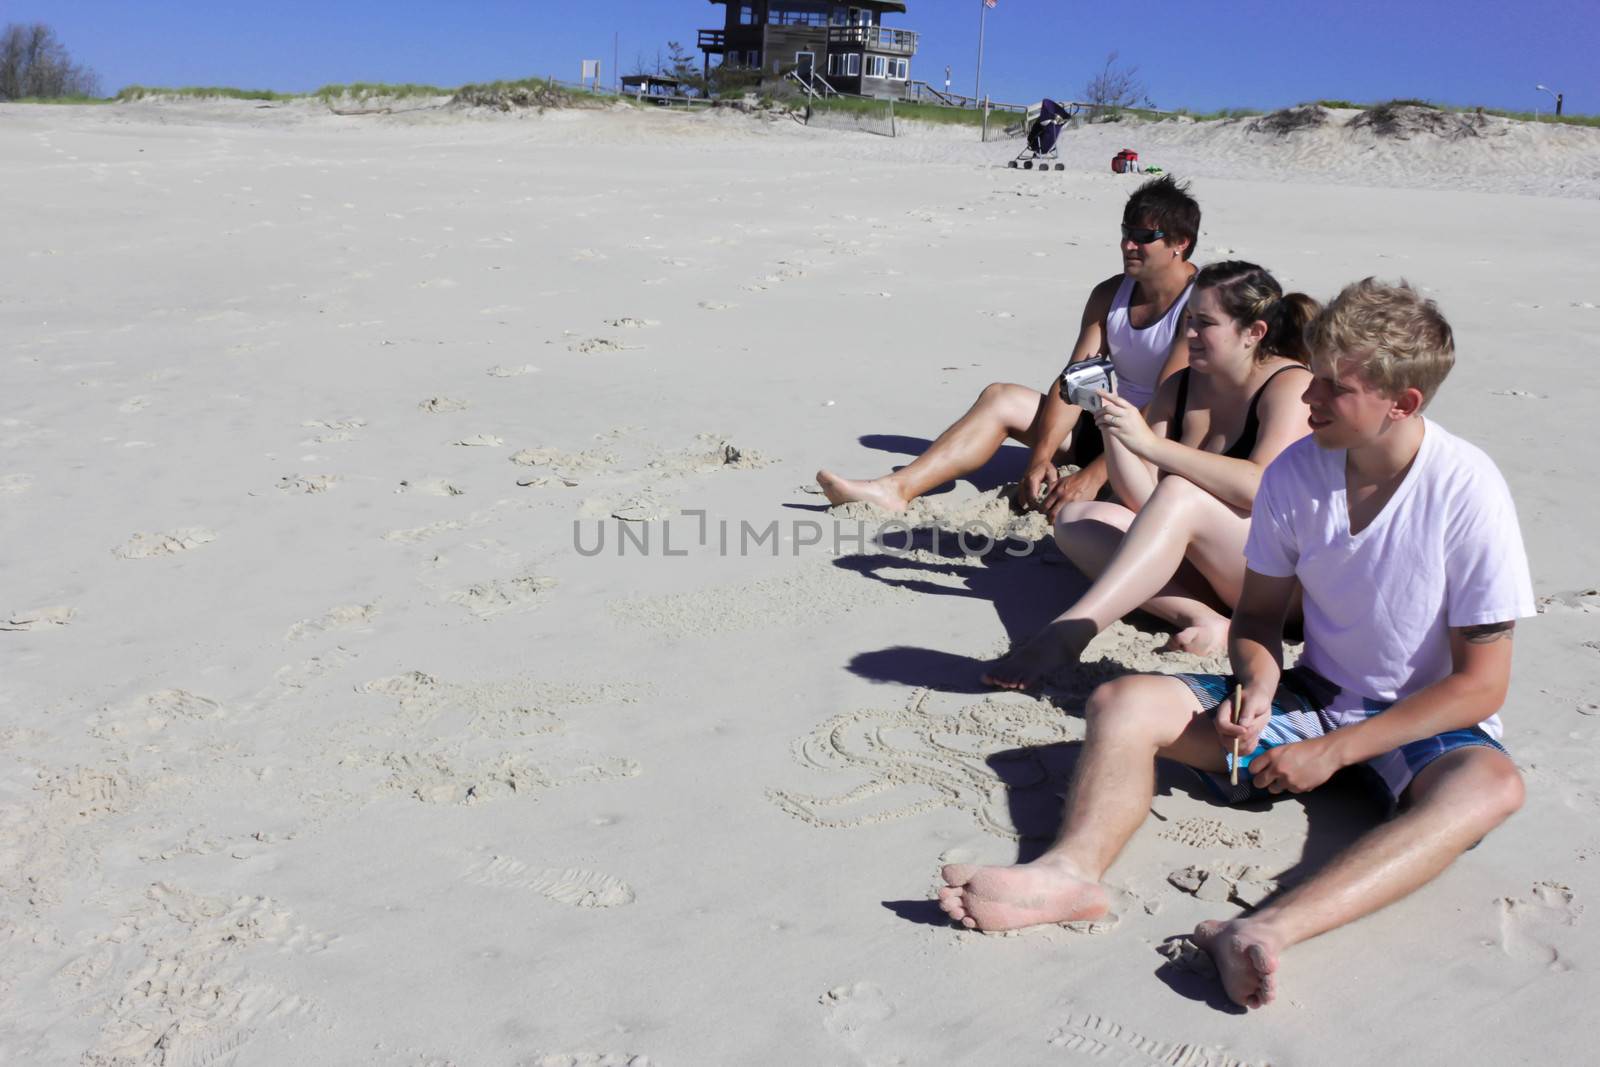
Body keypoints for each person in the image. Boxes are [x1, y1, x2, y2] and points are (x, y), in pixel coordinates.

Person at [938, 279, 1534, 1011]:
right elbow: (1256, 618)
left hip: (1422, 719)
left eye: (1333, 388)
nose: (1308, 397)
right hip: (1314, 697)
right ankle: (1071, 872)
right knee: (1122, 702)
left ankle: (1263, 930)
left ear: (1402, 404)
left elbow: (1481, 686)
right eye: (1312, 375)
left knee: (1493, 786)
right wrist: (1256, 682)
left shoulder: (1467, 488)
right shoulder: (1296, 471)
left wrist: (1338, 751)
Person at [982, 261, 1317, 688]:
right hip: (1218, 570)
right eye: (1188, 320)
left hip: (1284, 587)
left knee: (1179, 491)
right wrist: (1114, 425)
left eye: (1205, 324)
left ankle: (1070, 633)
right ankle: (1203, 617)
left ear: (1254, 333)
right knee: (1077, 519)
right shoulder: (1180, 387)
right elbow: (1141, 496)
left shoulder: (1288, 385)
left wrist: (1155, 447)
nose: (1189, 334)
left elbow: (1259, 487)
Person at [815, 175, 1200, 518]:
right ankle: (895, 490)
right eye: (1124, 232)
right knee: (1000, 397)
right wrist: (1041, 458)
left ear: (1180, 244)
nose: (1127, 245)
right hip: (1104, 426)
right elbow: (1075, 384)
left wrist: (1094, 474)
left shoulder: (1199, 304)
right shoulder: (1109, 293)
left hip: (1158, 444)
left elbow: (1165, 404)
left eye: (1143, 238)